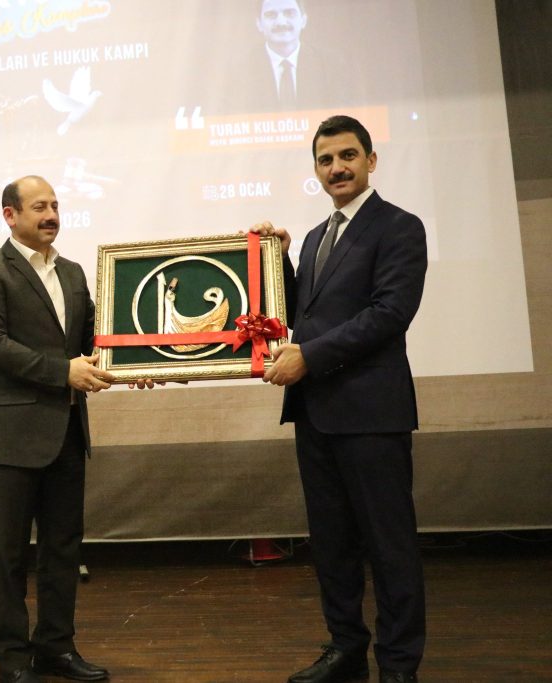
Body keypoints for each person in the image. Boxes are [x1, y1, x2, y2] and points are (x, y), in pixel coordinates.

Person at [250, 115, 427, 683]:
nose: (337, 168)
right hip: (316, 413)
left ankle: (398, 665)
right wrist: (276, 259)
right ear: (316, 170)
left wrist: (309, 356)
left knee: (389, 545)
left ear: (371, 161)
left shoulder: (399, 227)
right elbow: (305, 310)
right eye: (326, 160)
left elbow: (389, 313)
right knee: (331, 545)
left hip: (372, 413)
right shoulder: (314, 236)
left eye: (348, 156)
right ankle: (346, 649)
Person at [0, 175, 122, 683]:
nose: (51, 215)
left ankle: (56, 647)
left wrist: (137, 363)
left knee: (62, 550)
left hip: (68, 434)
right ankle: (12, 659)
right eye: (38, 207)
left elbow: (96, 340)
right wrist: (62, 372)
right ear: (10, 215)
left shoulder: (72, 272)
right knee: (8, 555)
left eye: (54, 205)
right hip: (11, 440)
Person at [223, 0, 355, 114]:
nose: (281, 22)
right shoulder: (238, 70)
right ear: (259, 24)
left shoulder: (331, 65)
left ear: (303, 20)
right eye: (271, 15)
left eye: (289, 13)